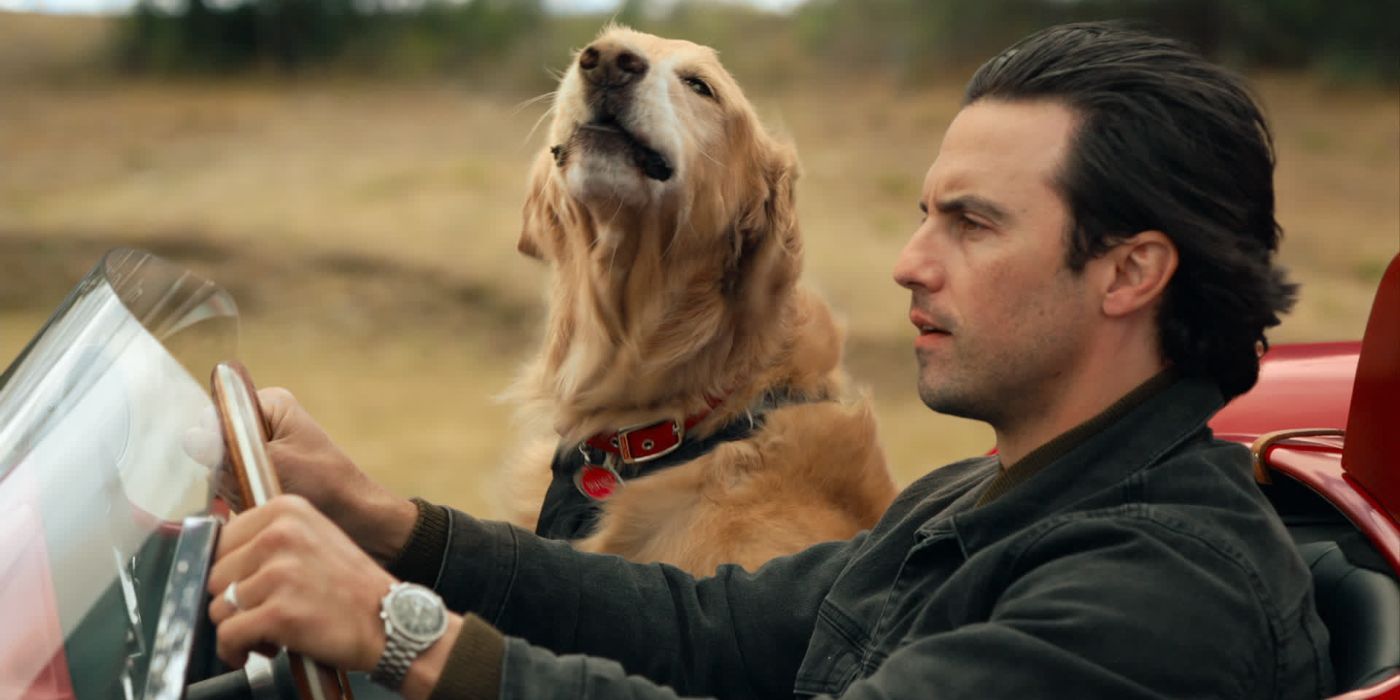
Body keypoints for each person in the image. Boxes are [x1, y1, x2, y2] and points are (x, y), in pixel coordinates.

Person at [204, 22, 1333, 699]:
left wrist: (403, 635)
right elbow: (711, 630)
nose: (906, 263)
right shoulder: (984, 495)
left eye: (971, 225)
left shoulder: (1157, 594)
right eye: (922, 215)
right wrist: (385, 522)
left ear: (1128, 272)